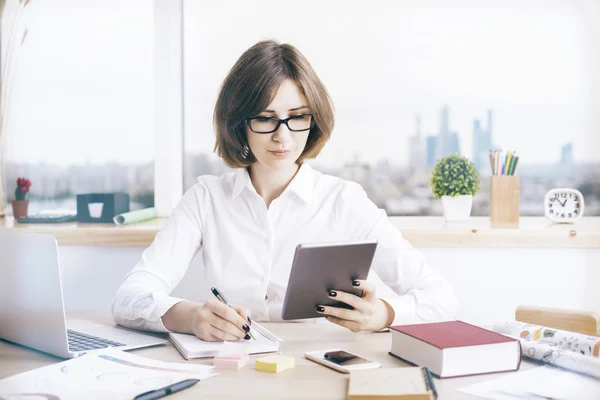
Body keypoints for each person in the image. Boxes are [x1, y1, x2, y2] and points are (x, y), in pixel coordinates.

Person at [112, 40, 458, 342]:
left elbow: (440, 298)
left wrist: (381, 314)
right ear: (239, 124)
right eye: (265, 118)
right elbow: (129, 297)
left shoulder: (343, 201)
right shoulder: (206, 199)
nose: (284, 137)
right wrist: (189, 317)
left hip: (318, 368)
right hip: (234, 371)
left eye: (298, 116)